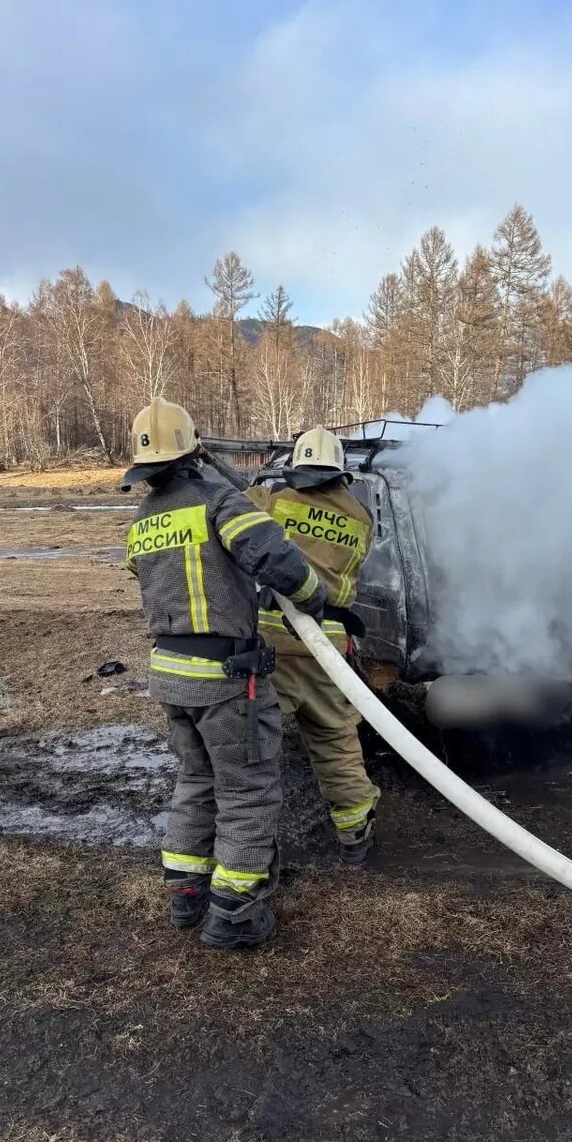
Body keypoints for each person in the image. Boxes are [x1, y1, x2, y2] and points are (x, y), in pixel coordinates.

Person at [122, 398, 325, 949]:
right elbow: (275, 557)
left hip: (169, 674)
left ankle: (185, 893)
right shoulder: (219, 500)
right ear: (194, 452)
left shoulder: (143, 521)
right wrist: (317, 597)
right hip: (226, 677)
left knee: (196, 781)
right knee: (246, 789)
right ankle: (234, 911)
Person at [248, 426, 379, 864]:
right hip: (329, 647)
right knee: (336, 740)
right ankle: (355, 835)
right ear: (341, 472)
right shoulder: (362, 517)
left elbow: (240, 517)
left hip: (273, 643)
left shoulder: (278, 501)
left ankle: (248, 845)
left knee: (254, 744)